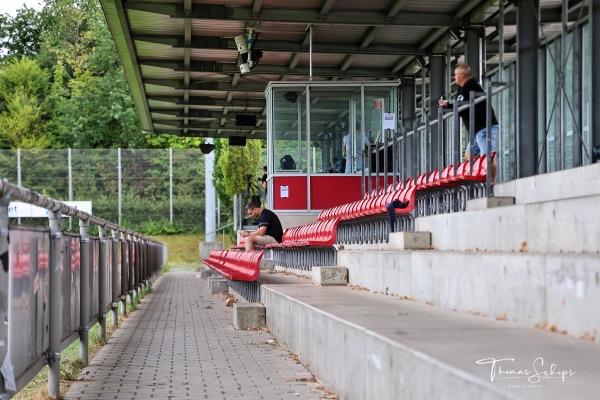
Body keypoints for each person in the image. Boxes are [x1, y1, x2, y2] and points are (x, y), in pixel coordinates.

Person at [439, 64, 499, 183]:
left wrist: (449, 106)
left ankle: (491, 183)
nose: (454, 77)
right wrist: (448, 105)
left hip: (484, 127)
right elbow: (460, 106)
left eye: (455, 75)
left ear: (461, 76)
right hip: (477, 129)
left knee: (487, 156)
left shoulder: (469, 87)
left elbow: (461, 108)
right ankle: (481, 178)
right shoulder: (464, 88)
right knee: (469, 155)